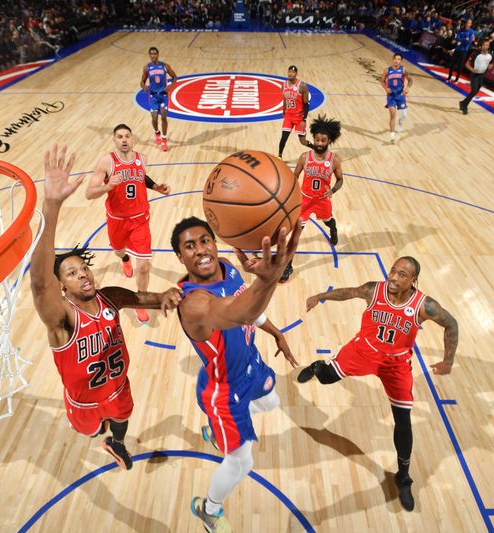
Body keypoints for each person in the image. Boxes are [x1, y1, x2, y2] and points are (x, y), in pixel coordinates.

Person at [30, 144, 182, 470]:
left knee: (123, 417)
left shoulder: (109, 296)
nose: (82, 273)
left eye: (83, 268)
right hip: (84, 403)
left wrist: (165, 296)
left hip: (118, 385)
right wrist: (52, 204)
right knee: (89, 430)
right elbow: (40, 283)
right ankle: (100, 431)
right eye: (71, 273)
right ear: (62, 286)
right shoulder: (62, 320)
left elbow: (142, 299)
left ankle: (116, 442)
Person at [296, 256, 459, 512]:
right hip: (364, 350)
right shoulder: (375, 290)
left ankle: (403, 477)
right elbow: (349, 292)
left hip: (396, 365)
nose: (393, 277)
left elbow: (451, 324)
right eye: (393, 271)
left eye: (402, 275)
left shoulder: (423, 305)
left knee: (403, 421)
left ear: (413, 280)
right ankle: (318, 366)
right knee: (327, 379)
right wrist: (320, 296)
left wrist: (448, 360)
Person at [171, 216, 301, 532]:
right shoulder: (194, 304)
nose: (201, 250)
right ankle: (209, 509)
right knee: (243, 463)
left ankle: (217, 433)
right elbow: (239, 311)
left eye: (205, 240)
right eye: (189, 246)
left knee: (271, 402)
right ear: (179, 257)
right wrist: (268, 279)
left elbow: (246, 303)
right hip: (225, 393)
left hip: (249, 365)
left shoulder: (227, 267)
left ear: (215, 243)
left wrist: (276, 332)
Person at [85, 124, 170, 324]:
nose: (124, 140)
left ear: (133, 139)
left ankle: (140, 301)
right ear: (114, 140)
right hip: (117, 220)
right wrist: (108, 186)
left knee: (143, 267)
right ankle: (124, 259)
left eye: (127, 136)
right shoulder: (106, 162)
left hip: (140, 219)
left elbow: (141, 178)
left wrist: (156, 187)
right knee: (118, 250)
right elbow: (89, 193)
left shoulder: (143, 159)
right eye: (119, 137)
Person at [280, 115, 344, 283]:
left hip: (323, 200)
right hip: (305, 201)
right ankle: (288, 265)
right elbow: (294, 178)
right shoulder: (304, 157)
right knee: (296, 233)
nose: (320, 143)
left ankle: (333, 229)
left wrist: (333, 191)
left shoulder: (334, 159)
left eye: (323, 140)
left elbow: (340, 180)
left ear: (329, 140)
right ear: (313, 139)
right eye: (317, 139)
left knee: (328, 221)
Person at [140, 47, 177, 152]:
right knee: (154, 118)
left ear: (158, 54)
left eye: (155, 53)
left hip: (163, 95)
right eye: (151, 54)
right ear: (149, 55)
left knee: (164, 117)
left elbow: (175, 77)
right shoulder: (147, 68)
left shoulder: (164, 66)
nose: (153, 55)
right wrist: (144, 87)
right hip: (153, 96)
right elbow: (142, 82)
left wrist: (170, 86)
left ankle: (164, 139)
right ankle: (157, 132)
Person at [278, 65, 314, 158]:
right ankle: (279, 156)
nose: (290, 73)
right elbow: (285, 98)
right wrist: (283, 110)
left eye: (293, 72)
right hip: (289, 116)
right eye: (289, 71)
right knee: (284, 137)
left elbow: (306, 104)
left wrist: (304, 119)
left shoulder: (302, 86)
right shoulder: (284, 85)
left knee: (303, 142)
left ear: (296, 74)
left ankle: (316, 149)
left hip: (299, 117)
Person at [382, 52, 412, 144]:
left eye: (399, 59)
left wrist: (407, 88)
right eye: (395, 59)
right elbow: (382, 81)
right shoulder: (387, 70)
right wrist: (386, 88)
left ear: (401, 61)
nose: (396, 61)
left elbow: (410, 80)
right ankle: (392, 136)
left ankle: (400, 123)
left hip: (400, 95)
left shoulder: (403, 70)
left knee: (404, 115)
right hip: (391, 96)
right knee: (392, 115)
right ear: (393, 59)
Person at [459, 40, 493, 115]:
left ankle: (463, 103)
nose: (485, 46)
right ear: (481, 46)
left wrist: (490, 66)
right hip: (474, 75)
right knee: (474, 90)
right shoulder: (476, 54)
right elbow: (467, 64)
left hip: (482, 75)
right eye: (484, 45)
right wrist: (471, 69)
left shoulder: (490, 56)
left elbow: (491, 64)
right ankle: (465, 106)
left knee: (475, 92)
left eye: (487, 45)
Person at [446, 19, 474, 83]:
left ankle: (456, 79)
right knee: (452, 64)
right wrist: (464, 39)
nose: (467, 24)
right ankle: (449, 77)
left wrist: (460, 40)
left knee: (460, 65)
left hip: (464, 51)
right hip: (457, 49)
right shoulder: (461, 30)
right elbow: (457, 38)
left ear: (470, 24)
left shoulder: (471, 32)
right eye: (467, 22)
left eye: (469, 23)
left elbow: (469, 41)